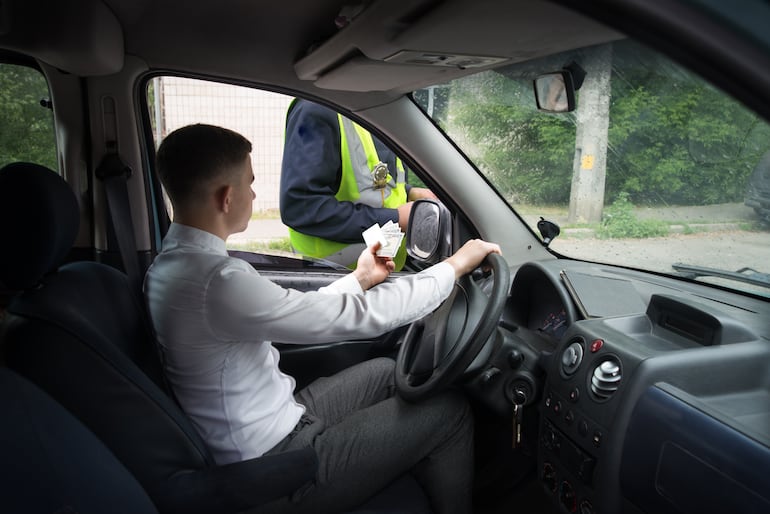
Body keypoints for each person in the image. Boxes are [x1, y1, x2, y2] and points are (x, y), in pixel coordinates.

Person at [144, 123, 502, 514]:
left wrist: (362, 278)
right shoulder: (217, 282)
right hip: (276, 470)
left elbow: (305, 312)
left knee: (387, 372)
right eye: (249, 184)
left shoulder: (173, 267)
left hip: (279, 423)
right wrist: (453, 267)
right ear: (227, 198)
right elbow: (354, 317)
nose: (254, 193)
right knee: (449, 414)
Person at [280, 99, 436, 270]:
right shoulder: (317, 109)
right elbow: (301, 208)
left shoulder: (371, 108)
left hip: (379, 273)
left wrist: (409, 192)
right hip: (333, 278)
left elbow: (371, 184)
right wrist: (396, 219)